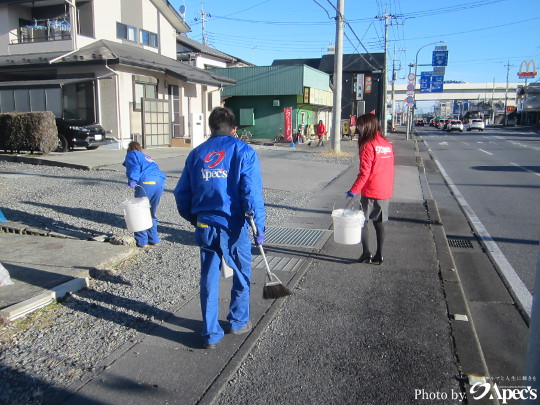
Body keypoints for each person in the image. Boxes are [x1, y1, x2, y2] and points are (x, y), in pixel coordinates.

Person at [174, 107, 266, 350]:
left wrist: (194, 218)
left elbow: (182, 193)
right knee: (243, 273)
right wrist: (259, 226)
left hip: (205, 224)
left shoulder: (196, 153)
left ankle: (210, 333)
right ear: (234, 129)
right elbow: (251, 192)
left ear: (211, 129)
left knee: (209, 277)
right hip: (233, 226)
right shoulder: (244, 151)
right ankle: (237, 322)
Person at [346, 113, 394, 265]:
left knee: (362, 222)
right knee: (379, 223)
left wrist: (353, 190)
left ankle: (366, 252)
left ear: (367, 126)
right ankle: (380, 255)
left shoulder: (368, 144)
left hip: (371, 189)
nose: (358, 128)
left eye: (360, 125)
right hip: (385, 188)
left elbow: (365, 172)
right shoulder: (386, 143)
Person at [123, 141, 166, 248]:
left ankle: (142, 241)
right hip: (159, 183)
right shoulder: (147, 157)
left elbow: (134, 167)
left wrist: (133, 179)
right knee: (151, 211)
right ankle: (154, 239)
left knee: (139, 211)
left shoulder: (132, 154)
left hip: (146, 183)